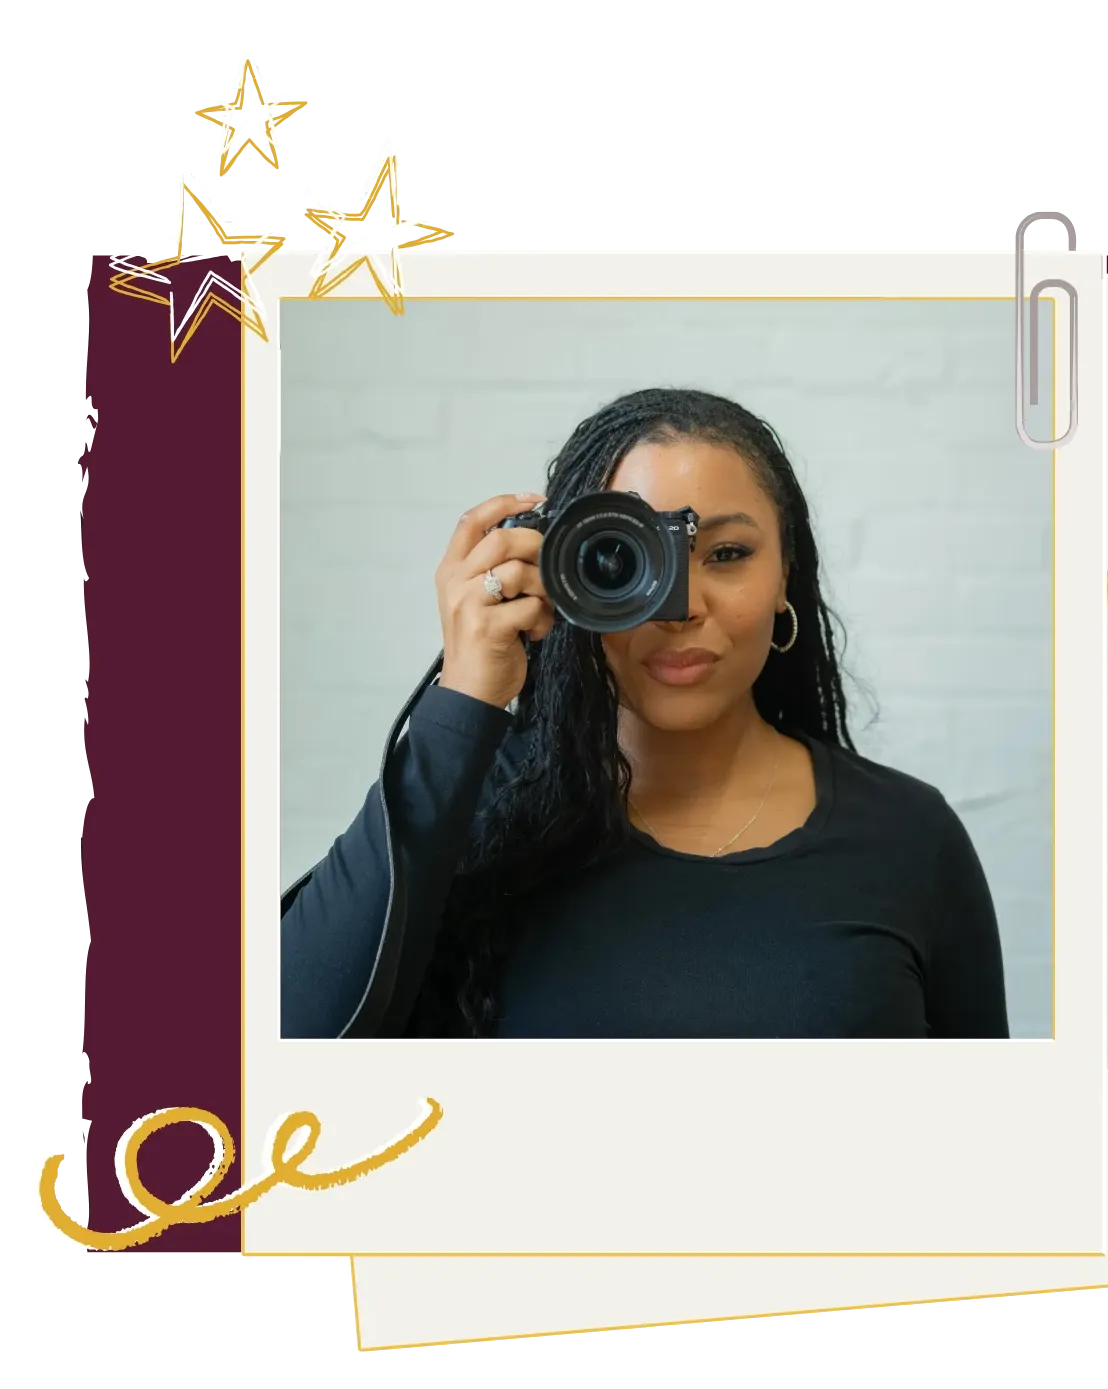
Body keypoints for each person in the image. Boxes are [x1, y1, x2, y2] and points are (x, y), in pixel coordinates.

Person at [280, 388, 1009, 1040]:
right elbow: (275, 1043)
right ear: (562, 574)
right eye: (624, 560)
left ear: (786, 572)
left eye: (727, 553)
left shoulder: (910, 838)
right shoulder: (469, 816)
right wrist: (462, 702)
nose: (680, 606)